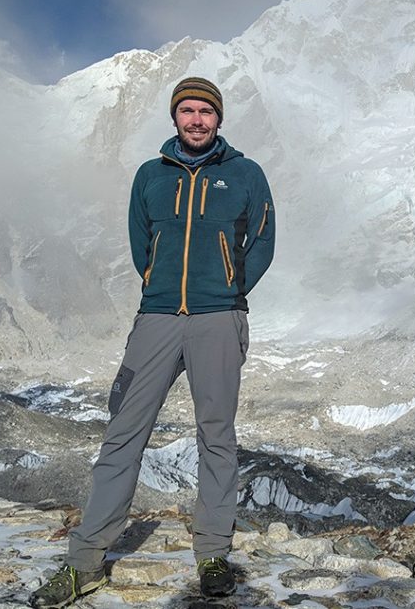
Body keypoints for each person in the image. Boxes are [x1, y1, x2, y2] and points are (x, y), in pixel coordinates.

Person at [30, 76, 275, 608]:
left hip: (219, 320)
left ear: (219, 119)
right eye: (186, 110)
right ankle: (84, 563)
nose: (195, 120)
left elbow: (262, 241)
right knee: (123, 434)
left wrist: (228, 287)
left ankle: (212, 554)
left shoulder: (246, 174)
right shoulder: (150, 175)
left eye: (204, 112)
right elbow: (142, 242)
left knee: (217, 437)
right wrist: (158, 287)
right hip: (157, 318)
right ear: (174, 117)